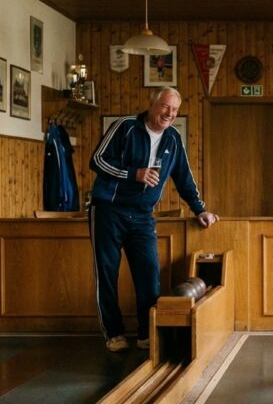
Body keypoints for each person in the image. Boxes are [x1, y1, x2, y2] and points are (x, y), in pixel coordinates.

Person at [89, 87, 218, 352]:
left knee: (149, 276)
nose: (169, 113)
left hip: (142, 216)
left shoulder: (172, 138)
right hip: (108, 210)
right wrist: (133, 174)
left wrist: (200, 209)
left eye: (174, 110)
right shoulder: (124, 127)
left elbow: (184, 178)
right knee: (107, 274)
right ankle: (114, 334)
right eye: (165, 107)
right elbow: (97, 160)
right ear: (152, 104)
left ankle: (147, 334)